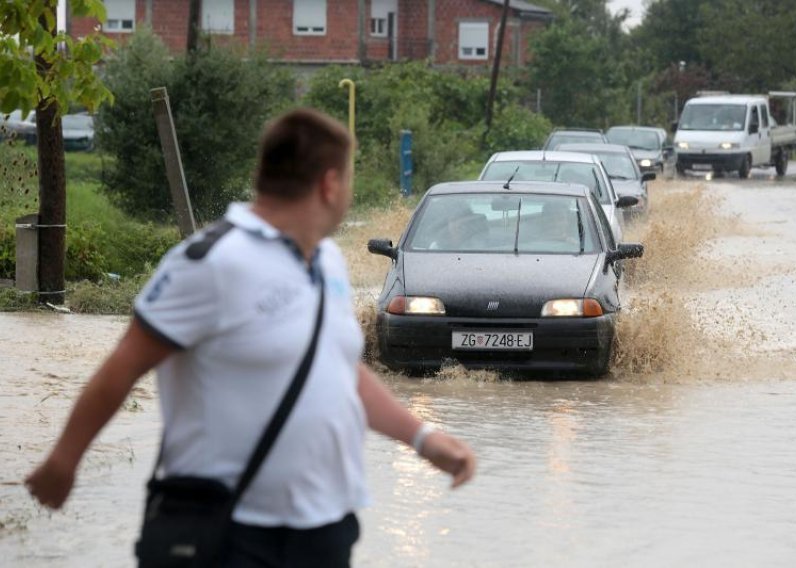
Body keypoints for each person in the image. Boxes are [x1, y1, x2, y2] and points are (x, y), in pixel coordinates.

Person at [25, 108, 476, 567]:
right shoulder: (212, 262)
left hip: (324, 528)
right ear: (329, 184)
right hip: (225, 532)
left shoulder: (326, 261)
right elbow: (122, 368)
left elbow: (337, 372)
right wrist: (65, 460)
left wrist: (422, 438)